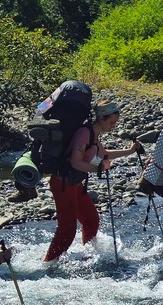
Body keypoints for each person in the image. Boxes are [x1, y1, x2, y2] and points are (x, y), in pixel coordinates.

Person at [44, 101, 138, 264]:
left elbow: (104, 154)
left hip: (74, 182)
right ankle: (48, 264)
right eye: (111, 122)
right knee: (67, 231)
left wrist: (130, 151)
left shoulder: (93, 135)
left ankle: (88, 254)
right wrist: (98, 169)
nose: (113, 126)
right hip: (63, 184)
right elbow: (75, 162)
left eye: (115, 122)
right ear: (101, 118)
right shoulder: (84, 133)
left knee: (91, 219)